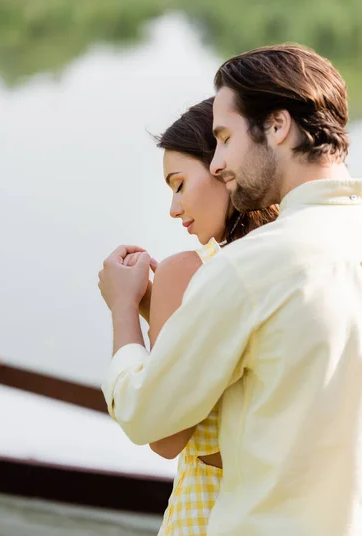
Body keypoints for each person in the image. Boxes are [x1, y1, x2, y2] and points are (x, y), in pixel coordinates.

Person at [98, 44, 362, 535]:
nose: (221, 162)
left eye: (224, 138)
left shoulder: (251, 268)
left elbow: (147, 416)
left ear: (276, 126)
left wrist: (123, 307)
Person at [123, 98, 278, 536]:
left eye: (178, 184)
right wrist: (159, 311)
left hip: (209, 517)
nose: (174, 209)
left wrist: (123, 309)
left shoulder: (186, 272)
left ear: (222, 168)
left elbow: (164, 437)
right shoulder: (290, 262)